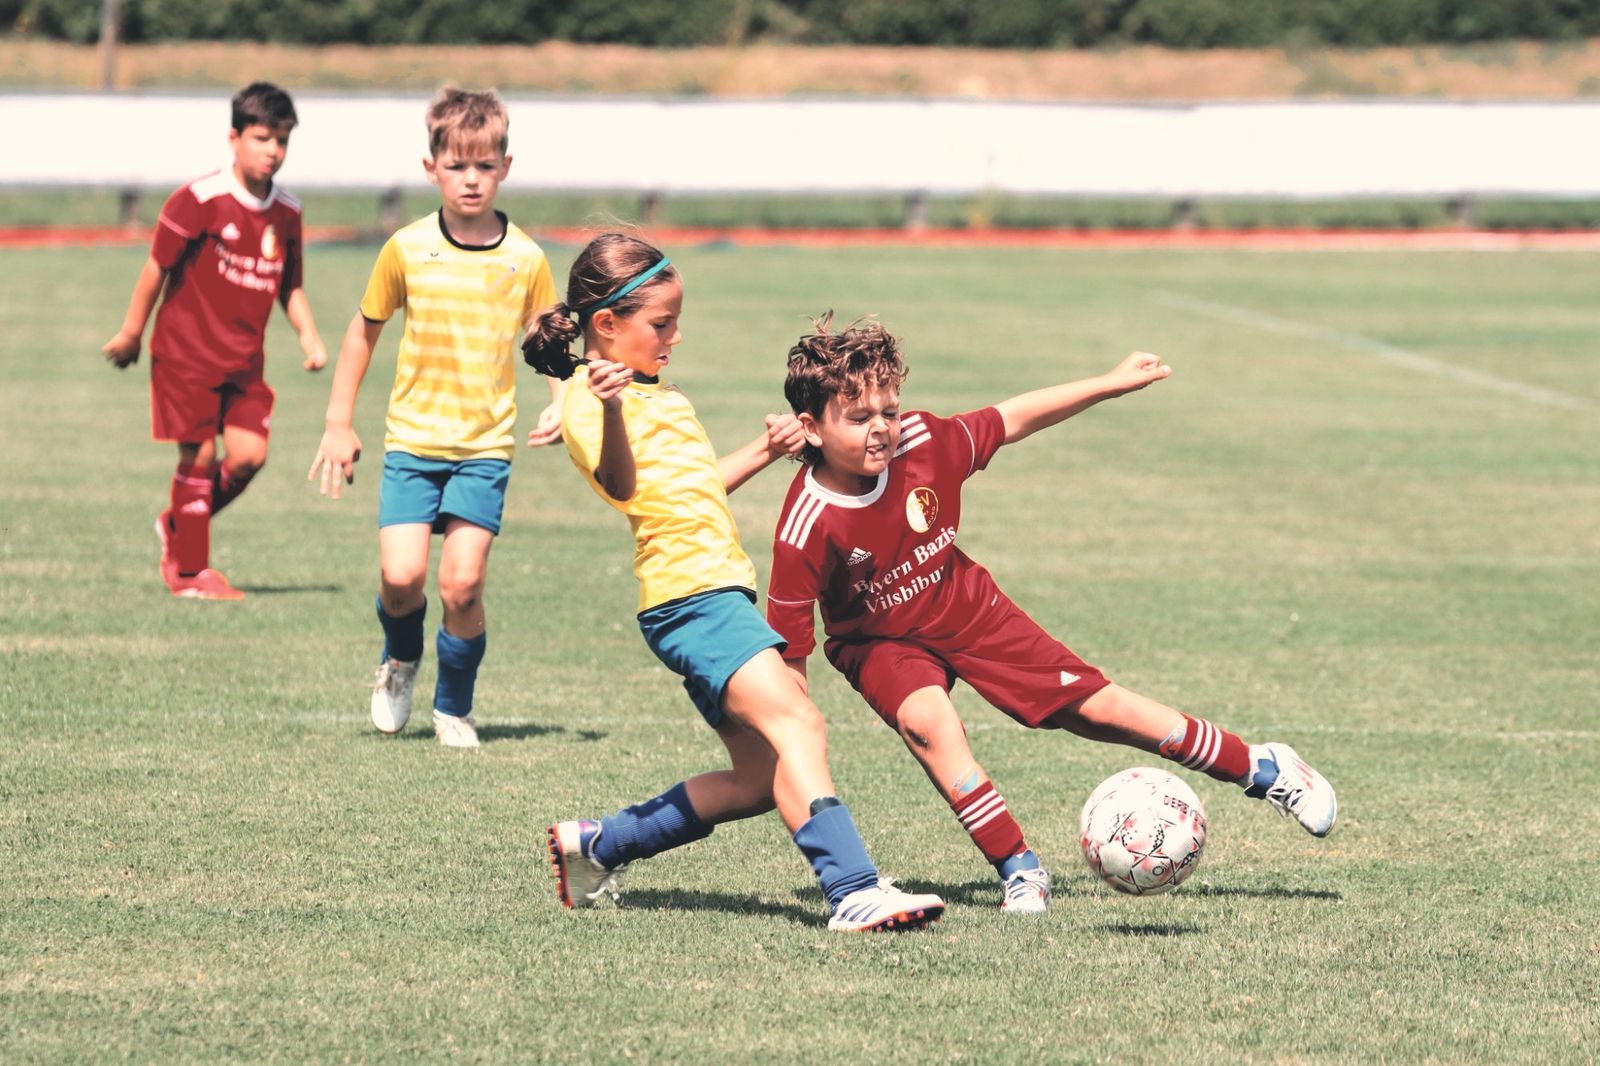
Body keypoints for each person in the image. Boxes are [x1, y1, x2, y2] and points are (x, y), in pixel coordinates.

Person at [766, 313, 1338, 914]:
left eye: (890, 410)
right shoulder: (806, 526)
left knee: (1100, 712)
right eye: (859, 419)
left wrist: (1107, 383)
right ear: (810, 427)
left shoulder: (925, 443)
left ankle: (1258, 765)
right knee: (930, 728)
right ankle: (1019, 868)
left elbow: (1011, 418)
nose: (882, 429)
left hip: (965, 607)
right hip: (879, 642)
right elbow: (791, 652)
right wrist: (791, 735)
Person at [522, 234, 945, 932]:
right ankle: (853, 889)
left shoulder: (656, 393)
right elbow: (625, 488)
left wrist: (766, 449)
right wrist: (610, 411)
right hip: (692, 599)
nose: (674, 337)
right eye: (660, 324)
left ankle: (600, 844)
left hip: (708, 593)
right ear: (607, 325)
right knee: (799, 721)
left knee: (756, 780)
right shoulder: (588, 401)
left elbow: (690, 491)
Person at [307, 87, 559, 749]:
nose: (470, 179)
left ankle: (454, 707)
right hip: (412, 443)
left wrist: (563, 401)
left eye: (483, 165)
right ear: (431, 169)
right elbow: (363, 332)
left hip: (485, 445)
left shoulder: (526, 257)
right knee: (401, 578)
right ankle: (399, 661)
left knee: (463, 582)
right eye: (456, 165)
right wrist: (339, 421)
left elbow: (547, 342)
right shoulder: (407, 248)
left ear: (505, 166)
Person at [103, 81, 327, 600]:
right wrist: (132, 333)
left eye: (282, 140)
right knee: (199, 457)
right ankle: (189, 574)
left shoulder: (287, 212)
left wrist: (310, 337)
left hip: (244, 363)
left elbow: (289, 284)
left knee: (249, 456)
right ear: (234, 138)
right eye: (261, 137)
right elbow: (156, 268)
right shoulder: (199, 199)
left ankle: (178, 523)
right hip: (185, 356)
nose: (272, 151)